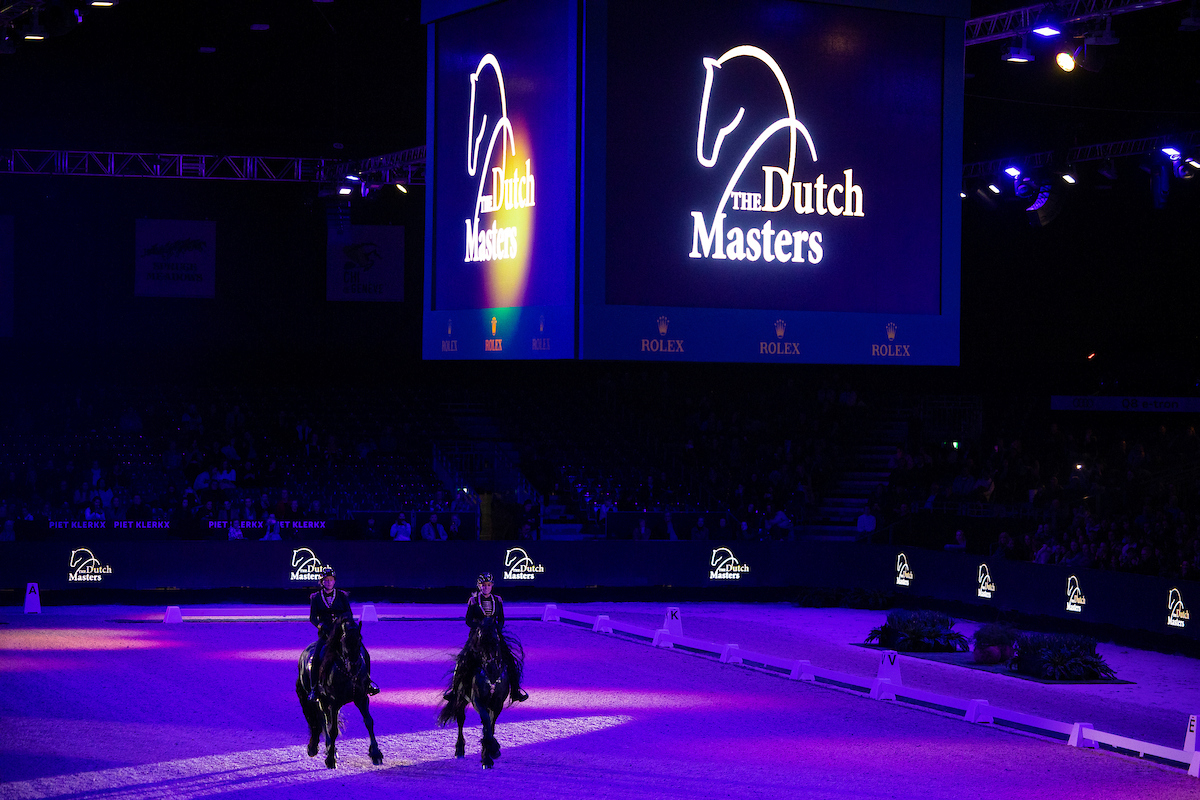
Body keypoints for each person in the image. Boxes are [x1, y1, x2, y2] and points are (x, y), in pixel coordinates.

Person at [444, 572, 528, 703]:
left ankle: (515, 691)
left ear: (492, 586)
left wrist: (496, 629)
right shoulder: (473, 601)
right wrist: (480, 627)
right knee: (462, 659)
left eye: (488, 585)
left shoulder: (497, 600)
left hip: (494, 635)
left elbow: (501, 619)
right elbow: (468, 620)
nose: (486, 587)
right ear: (479, 586)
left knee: (510, 659)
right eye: (483, 585)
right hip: (477, 636)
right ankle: (454, 691)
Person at [307, 566, 378, 701]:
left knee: (364, 653)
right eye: (326, 580)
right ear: (322, 582)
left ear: (334, 581)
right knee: (316, 658)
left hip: (342, 633)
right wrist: (321, 626)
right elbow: (312, 618)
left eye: (331, 580)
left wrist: (346, 625)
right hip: (326, 634)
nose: (328, 582)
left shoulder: (342, 596)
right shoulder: (315, 597)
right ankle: (314, 689)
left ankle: (368, 683)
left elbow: (348, 613)